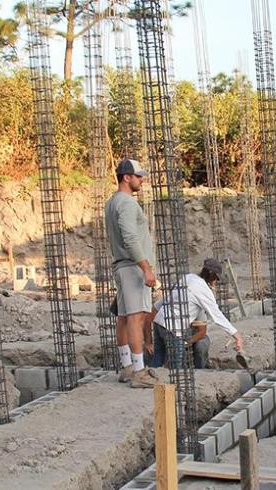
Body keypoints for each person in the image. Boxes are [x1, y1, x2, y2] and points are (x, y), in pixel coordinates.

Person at [105, 158, 159, 388]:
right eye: (138, 176)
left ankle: (127, 366)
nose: (142, 180)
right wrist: (146, 268)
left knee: (125, 317)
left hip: (122, 266)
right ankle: (139, 372)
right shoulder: (126, 203)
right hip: (132, 267)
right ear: (126, 177)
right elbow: (130, 237)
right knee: (136, 318)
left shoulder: (112, 202)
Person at [146, 259, 244, 369]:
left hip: (159, 322)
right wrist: (237, 336)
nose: (215, 282)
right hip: (173, 328)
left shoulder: (189, 277)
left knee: (158, 359)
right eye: (216, 279)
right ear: (211, 275)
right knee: (176, 369)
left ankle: (151, 376)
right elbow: (217, 316)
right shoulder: (203, 290)